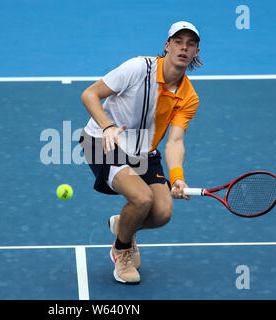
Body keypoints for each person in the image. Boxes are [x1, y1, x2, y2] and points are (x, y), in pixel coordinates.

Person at [79, 21, 202, 284]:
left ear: (196, 52)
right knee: (142, 199)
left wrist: (177, 176)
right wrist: (108, 127)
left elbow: (175, 142)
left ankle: (125, 225)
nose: (184, 47)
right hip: (103, 141)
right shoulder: (137, 69)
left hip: (143, 151)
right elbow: (90, 94)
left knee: (162, 213)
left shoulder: (189, 97)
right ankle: (121, 251)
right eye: (178, 41)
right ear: (167, 46)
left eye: (190, 44)